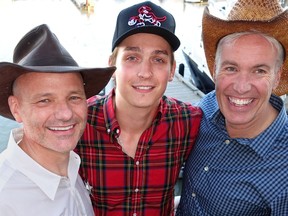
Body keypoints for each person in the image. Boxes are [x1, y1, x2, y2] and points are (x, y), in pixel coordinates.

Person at [74, 1, 203, 215]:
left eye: (158, 59)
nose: (145, 72)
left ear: (172, 71)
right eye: (132, 57)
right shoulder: (79, 122)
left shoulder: (188, 122)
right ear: (112, 67)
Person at [176, 0, 288, 215]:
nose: (241, 87)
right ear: (215, 69)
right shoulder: (207, 106)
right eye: (231, 68)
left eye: (259, 71)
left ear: (277, 77)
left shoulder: (283, 169)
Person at [0, 24, 115, 216]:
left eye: (74, 98)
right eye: (45, 100)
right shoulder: (5, 198)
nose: (65, 114)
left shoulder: (71, 163)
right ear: (16, 108)